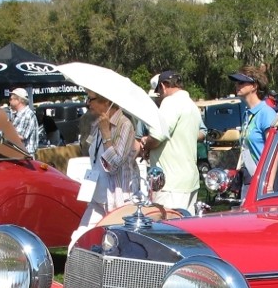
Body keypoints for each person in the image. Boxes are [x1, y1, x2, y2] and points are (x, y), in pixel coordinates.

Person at [70, 88, 139, 243]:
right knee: (79, 239)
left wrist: (107, 134)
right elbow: (89, 151)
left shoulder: (124, 125)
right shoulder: (96, 123)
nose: (87, 103)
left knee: (116, 245)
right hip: (97, 197)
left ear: (107, 101)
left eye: (91, 99)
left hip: (119, 198)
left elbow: (115, 164)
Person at [140, 70, 201, 212]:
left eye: (159, 92)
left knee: (167, 230)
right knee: (186, 228)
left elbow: (156, 137)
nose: (160, 97)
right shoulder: (191, 105)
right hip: (189, 180)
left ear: (163, 86)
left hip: (170, 184)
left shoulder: (170, 102)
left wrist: (146, 143)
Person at [229, 66, 278, 200]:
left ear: (254, 86)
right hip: (249, 178)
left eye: (241, 82)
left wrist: (269, 185)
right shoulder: (247, 114)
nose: (237, 85)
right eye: (236, 82)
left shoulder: (266, 113)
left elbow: (274, 152)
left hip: (263, 180)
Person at [8, 88, 38, 154]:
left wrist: (5, 132)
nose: (9, 101)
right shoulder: (18, 115)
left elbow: (20, 137)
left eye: (11, 99)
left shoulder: (27, 115)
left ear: (18, 100)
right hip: (20, 154)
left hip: (25, 156)